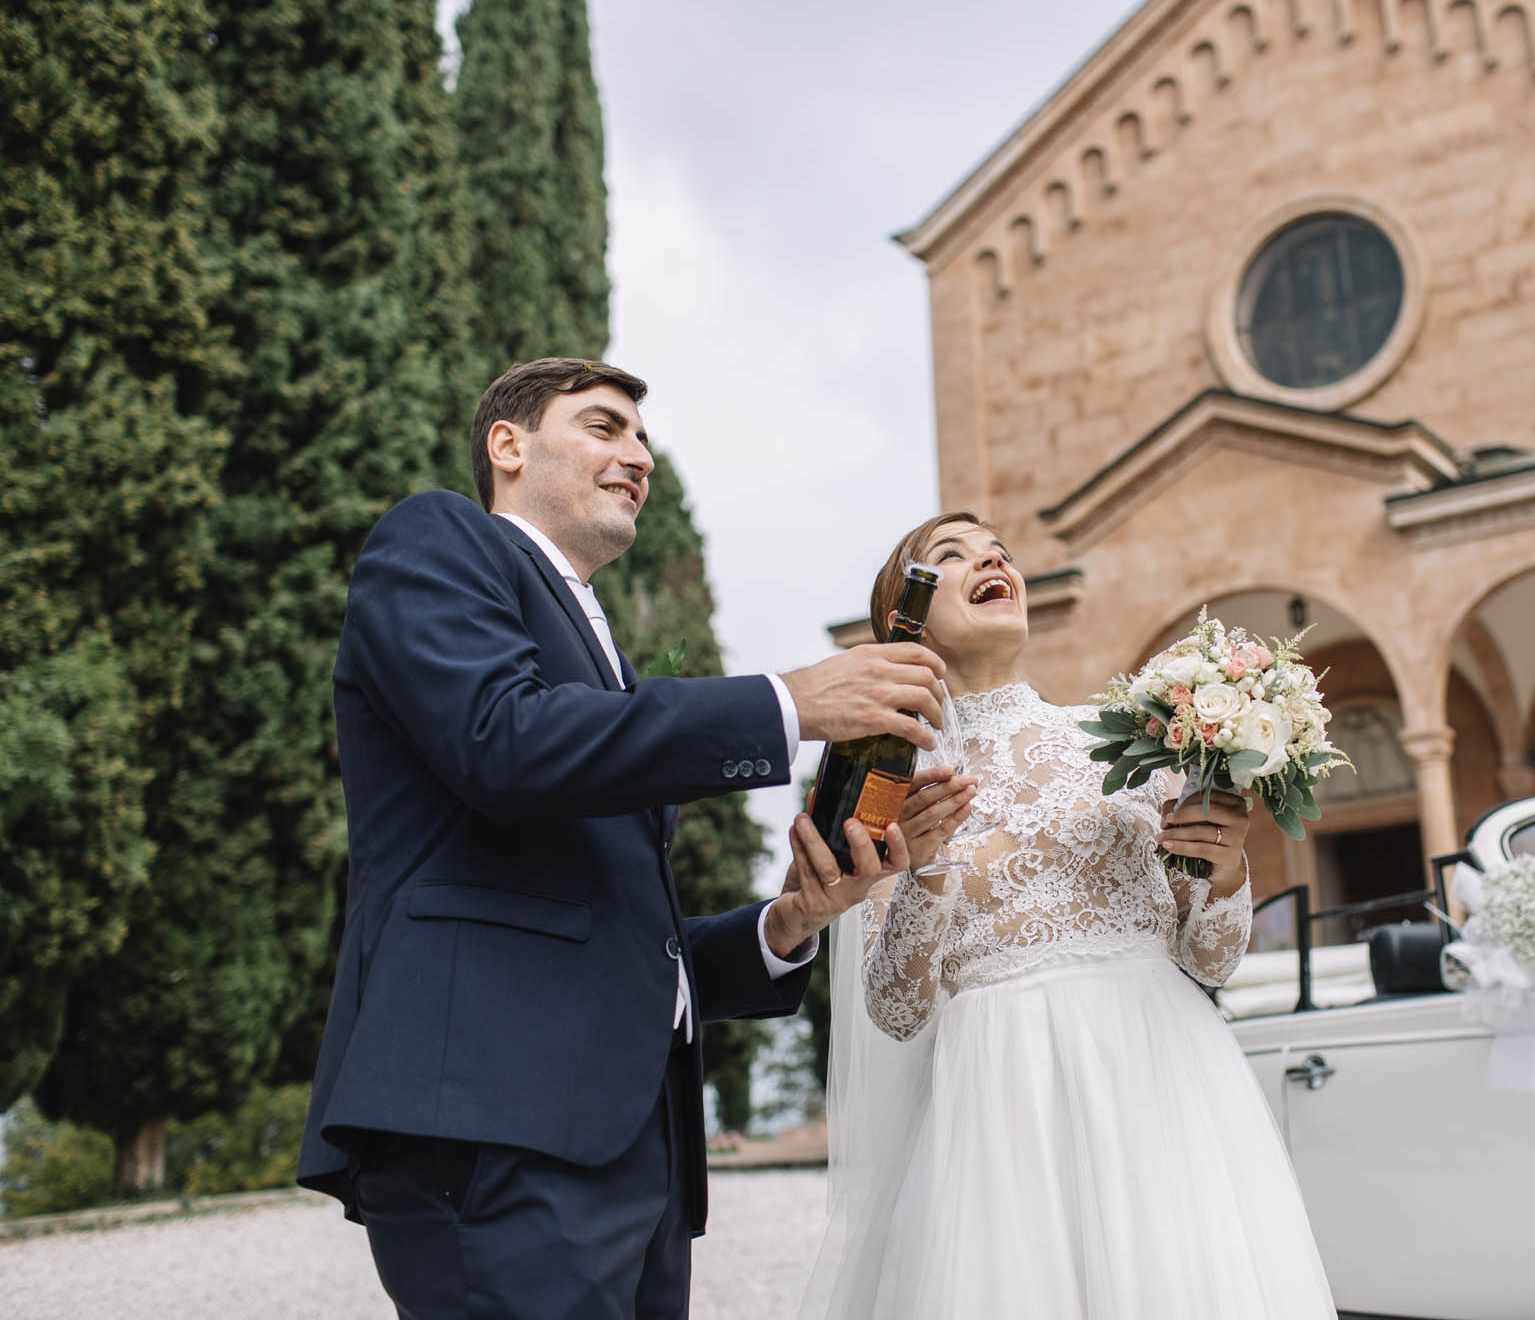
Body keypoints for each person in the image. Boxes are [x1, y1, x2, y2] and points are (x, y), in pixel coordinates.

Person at [296, 357, 952, 1320]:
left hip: (635, 1153)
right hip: (495, 1122)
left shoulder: (609, 653)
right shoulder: (437, 538)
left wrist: (789, 921)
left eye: (643, 439)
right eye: (604, 428)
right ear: (507, 445)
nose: (637, 456)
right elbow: (502, 743)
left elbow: (614, 933)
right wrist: (786, 702)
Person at [797, 512, 1339, 1319]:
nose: (989, 559)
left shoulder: (1126, 742)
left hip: (1161, 1077)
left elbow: (1211, 957)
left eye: (999, 553)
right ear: (902, 618)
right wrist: (930, 866)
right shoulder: (889, 785)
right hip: (1001, 1100)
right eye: (951, 557)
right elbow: (896, 1009)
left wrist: (1225, 869)